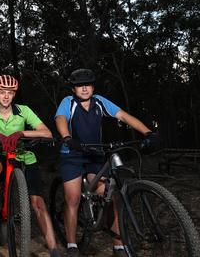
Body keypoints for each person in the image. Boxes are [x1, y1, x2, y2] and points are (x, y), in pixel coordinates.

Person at [55, 68, 158, 257]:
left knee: (108, 196)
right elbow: (60, 119)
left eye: (88, 84)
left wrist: (148, 132)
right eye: (79, 85)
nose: (84, 89)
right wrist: (67, 137)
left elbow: (124, 116)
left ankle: (118, 245)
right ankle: (72, 245)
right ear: (73, 89)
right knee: (73, 198)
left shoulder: (99, 102)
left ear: (93, 87)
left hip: (95, 153)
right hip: (72, 153)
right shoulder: (68, 102)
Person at [0, 74, 60, 257]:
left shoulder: (23, 110)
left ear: (14, 94)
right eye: (2, 92)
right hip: (0, 155)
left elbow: (47, 133)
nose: (6, 96)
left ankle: (54, 249)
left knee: (38, 203)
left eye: (10, 92)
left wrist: (20, 133)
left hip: (26, 157)